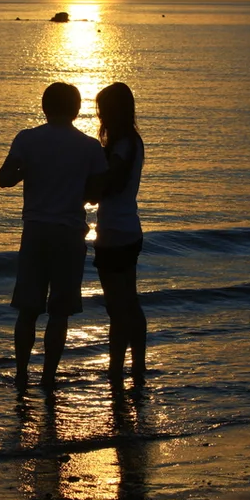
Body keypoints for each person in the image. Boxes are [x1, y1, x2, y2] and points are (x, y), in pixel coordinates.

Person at [0, 82, 108, 391]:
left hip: (35, 231)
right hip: (69, 233)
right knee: (59, 312)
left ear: (44, 108)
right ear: (76, 109)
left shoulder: (27, 139)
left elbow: (3, 179)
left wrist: (28, 170)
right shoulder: (89, 147)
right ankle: (48, 378)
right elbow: (95, 195)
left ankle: (21, 374)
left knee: (28, 308)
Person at [92, 82, 147, 384]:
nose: (100, 116)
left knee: (117, 306)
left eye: (103, 110)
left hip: (114, 233)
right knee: (129, 302)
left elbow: (108, 185)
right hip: (128, 230)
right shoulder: (132, 142)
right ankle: (137, 365)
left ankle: (116, 369)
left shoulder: (122, 146)